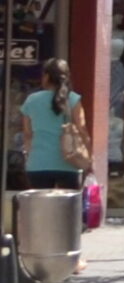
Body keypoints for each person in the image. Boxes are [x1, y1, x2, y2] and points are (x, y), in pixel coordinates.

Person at [19, 56, 83, 189]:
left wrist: (28, 155)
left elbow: (27, 134)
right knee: (67, 209)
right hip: (69, 163)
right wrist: (88, 155)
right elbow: (82, 129)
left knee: (41, 208)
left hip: (38, 164)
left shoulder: (31, 100)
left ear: (46, 77)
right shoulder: (73, 99)